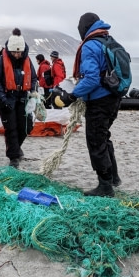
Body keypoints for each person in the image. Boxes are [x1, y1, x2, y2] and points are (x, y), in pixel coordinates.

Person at [54, 13, 122, 197]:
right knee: (104, 136)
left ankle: (105, 185)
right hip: (114, 98)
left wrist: (72, 96)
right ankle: (114, 177)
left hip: (99, 100)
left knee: (95, 140)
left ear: (84, 28)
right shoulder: (107, 39)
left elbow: (91, 78)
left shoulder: (91, 45)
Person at [0, 28, 37, 168]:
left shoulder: (27, 60)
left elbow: (33, 78)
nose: (17, 55)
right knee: (11, 129)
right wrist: (3, 99)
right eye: (14, 52)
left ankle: (16, 148)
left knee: (26, 126)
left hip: (22, 97)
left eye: (19, 52)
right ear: (9, 50)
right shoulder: (0, 61)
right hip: (6, 98)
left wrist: (33, 92)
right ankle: (14, 157)